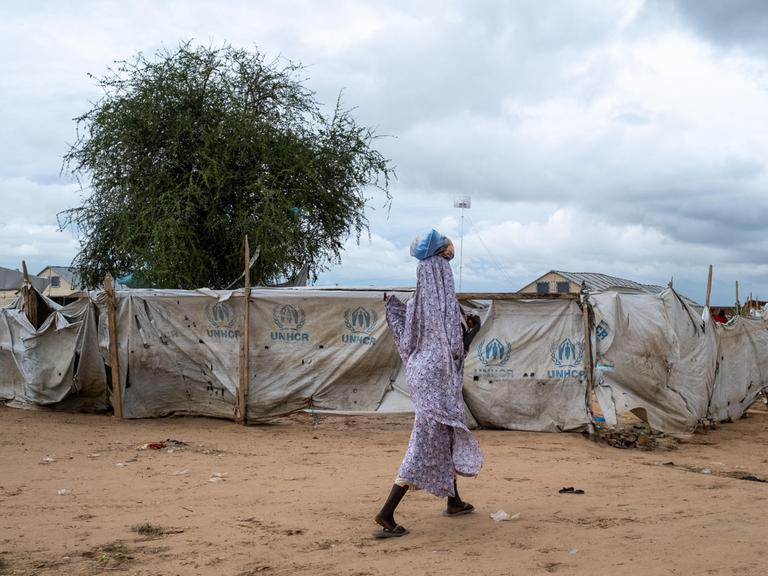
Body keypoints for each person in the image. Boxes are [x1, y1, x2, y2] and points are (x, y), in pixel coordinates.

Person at [373, 229, 483, 539]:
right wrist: (474, 330)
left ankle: (454, 500)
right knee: (423, 445)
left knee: (445, 434)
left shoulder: (414, 305)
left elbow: (413, 341)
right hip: (439, 376)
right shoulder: (443, 305)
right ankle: (386, 512)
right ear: (440, 270)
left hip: (422, 374)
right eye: (446, 260)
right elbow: (454, 347)